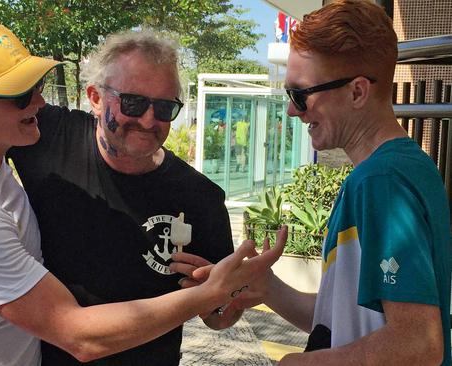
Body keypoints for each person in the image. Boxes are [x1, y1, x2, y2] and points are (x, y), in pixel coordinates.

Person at [0, 20, 286, 366]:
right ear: (95, 97)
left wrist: (228, 301)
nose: (149, 120)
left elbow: (219, 314)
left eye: (166, 107)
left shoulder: (200, 197)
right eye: (133, 103)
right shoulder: (43, 137)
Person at [174, 1, 450, 365]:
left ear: (357, 92)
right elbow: (342, 324)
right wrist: (266, 285)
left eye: (301, 95)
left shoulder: (380, 181)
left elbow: (419, 345)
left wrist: (298, 363)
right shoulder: (404, 169)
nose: (292, 110)